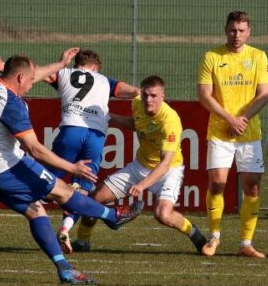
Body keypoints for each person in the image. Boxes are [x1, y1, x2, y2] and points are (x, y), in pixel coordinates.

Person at [0, 49, 143, 285]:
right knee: (62, 191)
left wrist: (61, 64)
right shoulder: (12, 105)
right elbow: (36, 150)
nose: (31, 85)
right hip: (0, 166)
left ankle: (64, 268)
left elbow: (33, 72)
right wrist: (73, 167)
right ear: (19, 78)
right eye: (30, 81)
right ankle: (112, 216)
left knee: (35, 210)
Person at [70, 75, 212, 255]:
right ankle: (83, 241)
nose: (148, 100)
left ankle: (196, 235)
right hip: (139, 166)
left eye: (153, 96)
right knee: (94, 198)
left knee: (163, 215)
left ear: (162, 96)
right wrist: (111, 117)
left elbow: (165, 163)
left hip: (168, 171)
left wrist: (142, 185)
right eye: (145, 95)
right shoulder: (137, 102)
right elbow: (136, 123)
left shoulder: (170, 121)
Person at [47, 49, 139, 254]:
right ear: (96, 67)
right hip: (95, 136)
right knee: (82, 191)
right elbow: (135, 92)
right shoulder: (106, 81)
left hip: (70, 130)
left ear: (76, 64)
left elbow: (41, 74)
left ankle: (49, 212)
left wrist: (60, 63)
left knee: (47, 184)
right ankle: (65, 228)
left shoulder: (64, 73)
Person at [197, 10, 268, 258]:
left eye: (241, 30)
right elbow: (204, 95)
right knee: (217, 184)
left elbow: (265, 94)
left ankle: (246, 243)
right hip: (220, 132)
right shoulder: (212, 57)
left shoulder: (259, 57)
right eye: (232, 30)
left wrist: (242, 119)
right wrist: (229, 118)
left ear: (249, 32)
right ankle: (214, 237)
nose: (236, 35)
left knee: (252, 189)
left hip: (249, 134)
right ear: (225, 29)